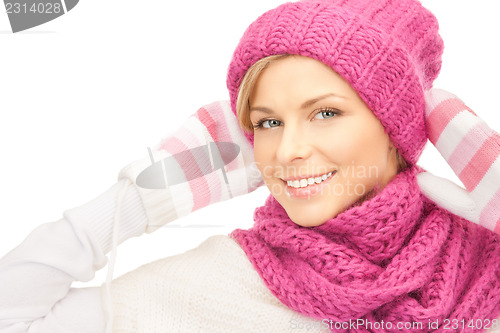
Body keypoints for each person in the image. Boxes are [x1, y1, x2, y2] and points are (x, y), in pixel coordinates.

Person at [0, 0, 499, 332]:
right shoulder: (218, 284)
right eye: (267, 123)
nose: (285, 152)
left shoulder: (488, 263)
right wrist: (142, 195)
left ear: (399, 129)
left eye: (325, 113)